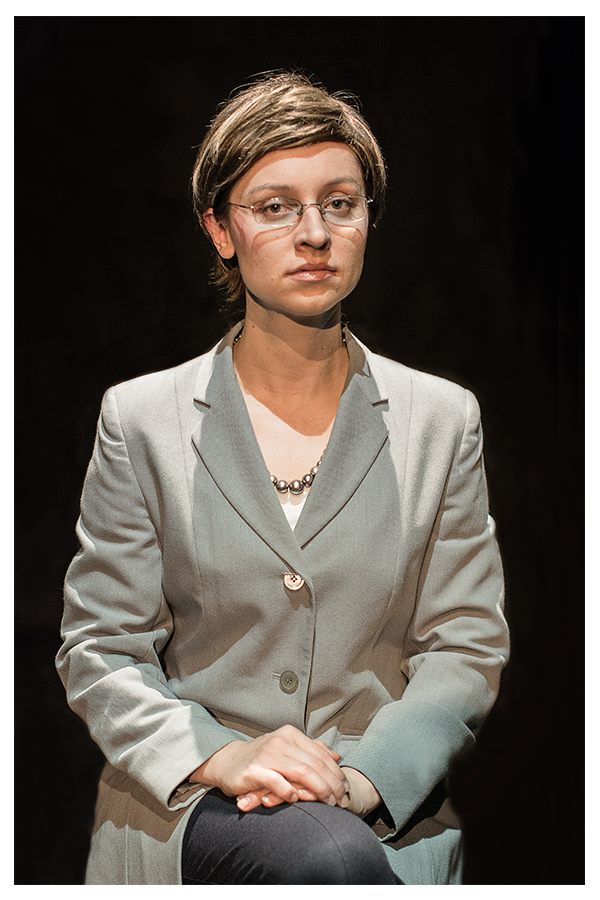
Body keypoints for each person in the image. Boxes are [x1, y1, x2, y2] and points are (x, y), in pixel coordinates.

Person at [56, 71, 509, 885]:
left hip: (372, 813)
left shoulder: (441, 419)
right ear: (220, 229)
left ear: (368, 219)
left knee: (335, 854)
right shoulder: (143, 419)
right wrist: (224, 756)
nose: (315, 234)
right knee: (321, 858)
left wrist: (363, 782)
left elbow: (463, 646)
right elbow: (101, 648)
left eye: (340, 203)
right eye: (275, 207)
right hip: (198, 802)